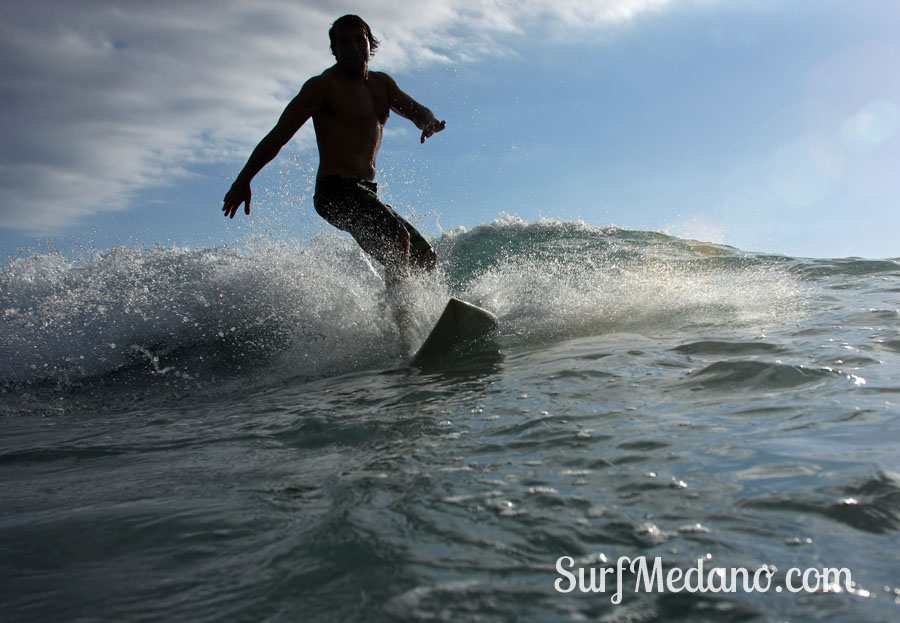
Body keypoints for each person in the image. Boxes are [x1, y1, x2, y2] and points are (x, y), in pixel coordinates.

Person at [222, 14, 445, 287]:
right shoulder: (323, 87)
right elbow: (278, 136)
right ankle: (403, 326)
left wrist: (429, 123)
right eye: (344, 42)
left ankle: (403, 319)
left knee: (425, 258)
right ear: (335, 50)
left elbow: (417, 111)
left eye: (358, 40)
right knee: (398, 241)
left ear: (369, 43)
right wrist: (244, 180)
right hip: (335, 192)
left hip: (364, 191)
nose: (352, 47)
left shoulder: (382, 85)